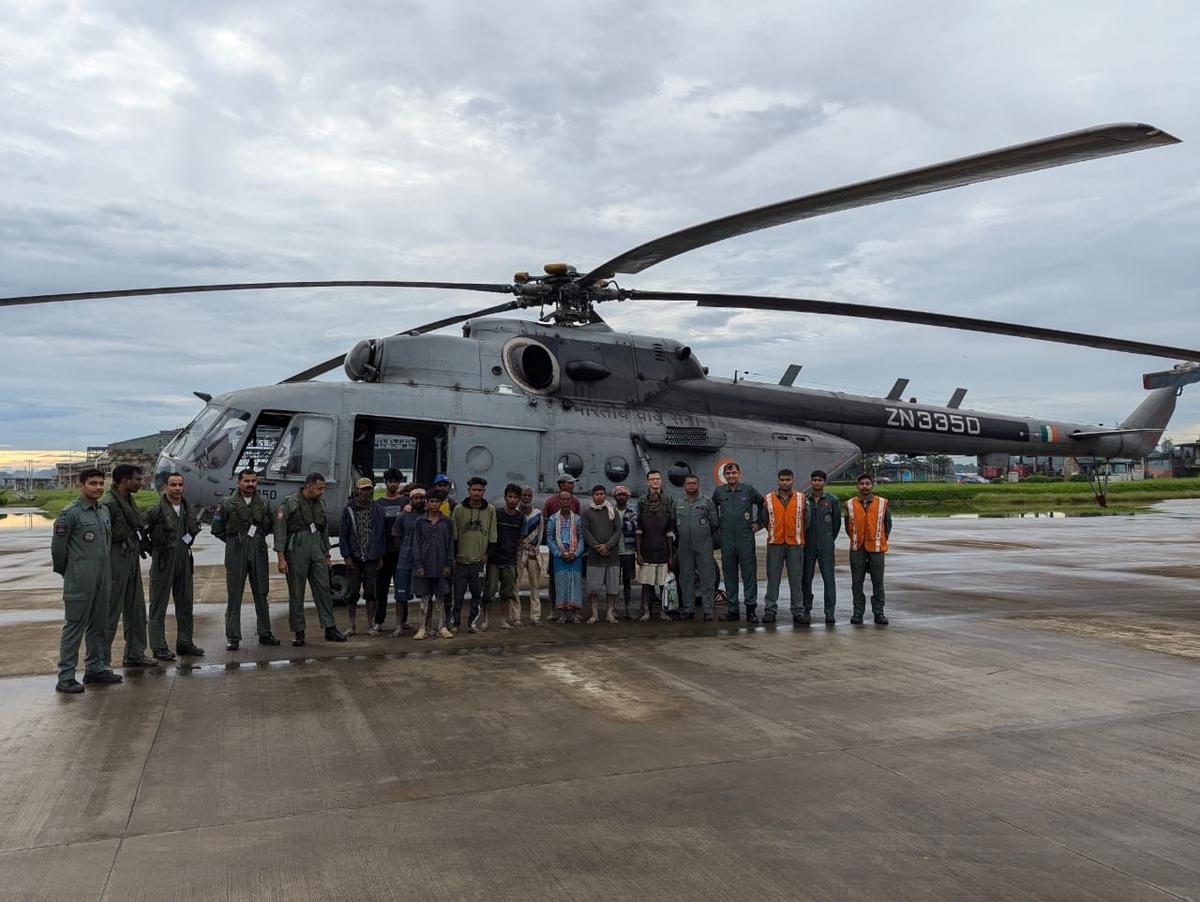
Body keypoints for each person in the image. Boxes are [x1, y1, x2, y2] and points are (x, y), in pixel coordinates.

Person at [51, 468, 120, 693]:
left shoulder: (103, 511)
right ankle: (66, 676)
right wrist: (72, 573)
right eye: (93, 483)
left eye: (101, 483)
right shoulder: (70, 513)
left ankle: (95, 668)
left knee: (100, 625)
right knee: (74, 626)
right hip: (80, 580)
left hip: (102, 578)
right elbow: (58, 552)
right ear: (81, 485)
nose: (98, 487)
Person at [274, 472, 348, 646]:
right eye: (319, 488)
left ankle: (330, 628)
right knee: (296, 592)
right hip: (297, 549)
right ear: (308, 486)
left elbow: (323, 529)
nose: (322, 491)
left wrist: (327, 555)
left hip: (317, 549)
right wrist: (281, 559)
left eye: (323, 488)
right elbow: (280, 531)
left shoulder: (319, 504)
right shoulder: (290, 503)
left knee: (323, 589)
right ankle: (299, 632)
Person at [211, 468, 278, 650]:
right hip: (236, 549)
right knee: (234, 594)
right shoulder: (226, 503)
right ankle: (233, 636)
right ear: (238, 482)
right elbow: (216, 528)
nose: (250, 484)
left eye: (253, 481)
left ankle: (265, 632)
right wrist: (232, 541)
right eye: (246, 481)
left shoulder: (264, 502)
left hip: (258, 548)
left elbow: (270, 524)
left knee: (262, 593)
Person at [100, 463, 154, 669]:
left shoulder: (128, 500)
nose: (141, 483)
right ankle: (100, 661)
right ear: (124, 480)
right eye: (137, 479)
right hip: (115, 558)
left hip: (130, 556)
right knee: (111, 610)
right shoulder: (108, 504)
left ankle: (135, 653)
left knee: (136, 609)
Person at [145, 472, 205, 660]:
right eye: (173, 485)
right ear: (165, 487)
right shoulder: (155, 510)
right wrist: (153, 549)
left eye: (180, 484)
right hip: (164, 561)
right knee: (158, 604)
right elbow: (140, 532)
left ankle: (185, 642)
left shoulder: (189, 509)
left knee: (186, 603)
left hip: (184, 559)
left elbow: (192, 531)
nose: (177, 488)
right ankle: (158, 646)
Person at [712, 461, 765, 623]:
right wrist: (717, 525)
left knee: (749, 574)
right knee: (729, 575)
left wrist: (759, 523)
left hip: (745, 538)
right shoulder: (720, 492)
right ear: (724, 476)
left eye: (734, 473)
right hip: (727, 539)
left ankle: (750, 610)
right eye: (728, 473)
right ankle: (732, 609)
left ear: (739, 474)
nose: (731, 476)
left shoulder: (748, 490)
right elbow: (713, 508)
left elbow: (763, 503)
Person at [451, 476, 497, 632]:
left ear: (484, 492)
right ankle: (455, 623)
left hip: (479, 561)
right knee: (457, 594)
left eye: (480, 490)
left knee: (477, 594)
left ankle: (472, 623)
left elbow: (493, 535)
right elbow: (454, 534)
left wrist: (487, 555)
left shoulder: (490, 510)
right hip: (461, 560)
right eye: (474, 490)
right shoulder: (459, 509)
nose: (477, 493)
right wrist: (454, 556)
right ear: (469, 491)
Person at [761, 468, 806, 625]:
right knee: (773, 579)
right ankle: (770, 610)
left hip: (795, 544)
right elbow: (765, 519)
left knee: (796, 579)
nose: (785, 482)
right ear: (778, 481)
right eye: (782, 480)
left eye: (788, 480)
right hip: (775, 544)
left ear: (792, 480)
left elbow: (807, 521)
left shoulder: (801, 498)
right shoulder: (768, 498)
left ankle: (798, 611)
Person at [845, 474, 892, 625]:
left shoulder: (882, 503)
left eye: (867, 483)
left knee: (878, 582)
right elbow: (848, 526)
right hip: (857, 548)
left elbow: (887, 524)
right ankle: (858, 613)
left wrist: (879, 538)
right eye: (861, 484)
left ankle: (879, 613)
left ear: (872, 485)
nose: (864, 486)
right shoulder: (850, 504)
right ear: (857, 486)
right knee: (857, 582)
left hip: (876, 548)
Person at [339, 477, 384, 635]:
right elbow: (343, 535)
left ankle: (370, 625)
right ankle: (351, 625)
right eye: (363, 489)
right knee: (352, 591)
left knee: (371, 591)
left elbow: (380, 534)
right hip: (354, 556)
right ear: (357, 490)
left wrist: (380, 555)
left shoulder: (377, 509)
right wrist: (346, 556)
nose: (366, 492)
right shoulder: (348, 510)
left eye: (368, 489)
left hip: (371, 556)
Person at [411, 491, 454, 640]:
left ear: (441, 503)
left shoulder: (447, 522)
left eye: (437, 501)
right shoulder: (419, 522)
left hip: (441, 566)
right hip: (424, 566)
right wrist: (418, 565)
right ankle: (422, 627)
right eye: (431, 501)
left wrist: (448, 565)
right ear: (427, 503)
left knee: (440, 599)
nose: (434, 504)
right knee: (424, 599)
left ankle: (442, 627)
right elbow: (415, 544)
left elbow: (450, 545)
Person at [675, 474, 719, 620]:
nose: (691, 485)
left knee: (707, 577)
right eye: (688, 483)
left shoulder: (707, 502)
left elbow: (714, 524)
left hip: (703, 545)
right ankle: (689, 608)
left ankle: (708, 610)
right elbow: (674, 523)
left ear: (698, 485)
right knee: (685, 577)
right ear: (684, 486)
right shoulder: (678, 502)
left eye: (694, 483)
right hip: (684, 545)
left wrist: (703, 536)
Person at [372, 469, 410, 635]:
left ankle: (402, 622)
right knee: (381, 589)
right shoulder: (378, 503)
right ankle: (379, 621)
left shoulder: (405, 502)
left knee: (402, 589)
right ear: (385, 482)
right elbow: (375, 530)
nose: (393, 484)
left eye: (396, 481)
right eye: (390, 481)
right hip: (384, 553)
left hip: (402, 553)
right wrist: (377, 553)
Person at [802, 469, 841, 625]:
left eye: (820, 480)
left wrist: (829, 538)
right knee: (806, 579)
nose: (817, 482)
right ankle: (806, 610)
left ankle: (829, 612)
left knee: (829, 578)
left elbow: (836, 524)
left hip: (826, 544)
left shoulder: (832, 501)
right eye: (814, 480)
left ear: (824, 482)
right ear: (811, 482)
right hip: (808, 543)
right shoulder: (804, 500)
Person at [636, 473, 675, 621]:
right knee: (647, 585)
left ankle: (663, 611)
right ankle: (646, 610)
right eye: (651, 502)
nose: (653, 504)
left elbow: (669, 536)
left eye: (656, 502)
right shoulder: (643, 516)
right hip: (647, 554)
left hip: (663, 554)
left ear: (661, 502)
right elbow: (638, 534)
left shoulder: (667, 515)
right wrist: (639, 553)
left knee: (663, 585)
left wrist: (671, 556)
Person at [581, 484, 622, 624]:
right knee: (593, 588)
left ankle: (609, 613)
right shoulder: (587, 513)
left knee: (612, 587)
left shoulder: (612, 511)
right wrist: (597, 546)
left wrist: (608, 546)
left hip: (612, 555)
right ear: (593, 496)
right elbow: (586, 532)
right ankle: (594, 614)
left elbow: (618, 530)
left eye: (601, 494)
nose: (599, 496)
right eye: (596, 494)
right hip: (595, 555)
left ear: (605, 495)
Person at [390, 485, 426, 637]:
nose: (418, 500)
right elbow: (396, 535)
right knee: (400, 595)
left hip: (424, 562)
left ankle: (424, 625)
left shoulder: (429, 515)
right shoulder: (403, 516)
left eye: (421, 498)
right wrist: (405, 549)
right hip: (405, 561)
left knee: (425, 595)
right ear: (410, 499)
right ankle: (399, 625)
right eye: (415, 498)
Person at [542, 474, 581, 609]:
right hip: (557, 549)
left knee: (573, 579)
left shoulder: (575, 502)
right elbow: (546, 525)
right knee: (554, 579)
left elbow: (578, 526)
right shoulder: (550, 502)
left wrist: (574, 551)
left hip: (573, 549)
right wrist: (557, 550)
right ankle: (554, 608)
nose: (572, 485)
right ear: (561, 485)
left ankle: (572, 607)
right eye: (569, 483)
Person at [546, 488, 584, 622]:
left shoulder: (578, 519)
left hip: (575, 556)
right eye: (563, 499)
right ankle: (562, 614)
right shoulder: (552, 519)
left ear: (571, 501)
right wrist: (559, 553)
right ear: (559, 501)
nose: (566, 502)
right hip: (559, 556)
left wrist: (576, 553)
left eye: (568, 499)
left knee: (575, 584)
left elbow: (581, 538)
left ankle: (573, 614)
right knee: (561, 584)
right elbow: (549, 538)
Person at [490, 484, 525, 628]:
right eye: (510, 497)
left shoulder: (521, 517)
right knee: (490, 591)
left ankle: (503, 619)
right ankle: (485, 619)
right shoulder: (497, 514)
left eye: (515, 497)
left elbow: (520, 539)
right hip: (494, 559)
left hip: (510, 560)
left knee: (506, 593)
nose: (512, 500)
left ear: (519, 500)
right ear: (505, 498)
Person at [516, 486, 544, 625]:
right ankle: (516, 617)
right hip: (518, 553)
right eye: (524, 495)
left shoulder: (538, 514)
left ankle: (535, 616)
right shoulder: (515, 513)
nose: (526, 498)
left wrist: (536, 548)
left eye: (529, 495)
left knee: (535, 586)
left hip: (533, 553)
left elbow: (540, 533)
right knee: (515, 585)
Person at [612, 485, 638, 619]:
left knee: (627, 582)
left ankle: (628, 608)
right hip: (615, 552)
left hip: (628, 551)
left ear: (627, 497)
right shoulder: (611, 511)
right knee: (614, 582)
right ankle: (614, 608)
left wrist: (618, 525)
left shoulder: (632, 511)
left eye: (624, 495)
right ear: (615, 497)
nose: (621, 497)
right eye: (619, 495)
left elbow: (633, 526)